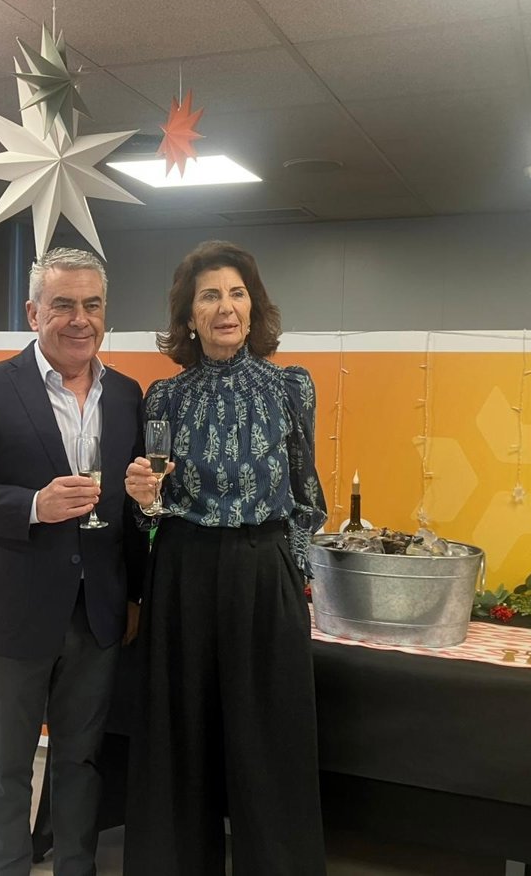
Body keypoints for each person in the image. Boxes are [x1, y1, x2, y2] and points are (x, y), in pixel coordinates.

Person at [0, 247, 148, 876]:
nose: (80, 319)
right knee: (7, 769)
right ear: (33, 313)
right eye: (63, 305)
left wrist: (135, 594)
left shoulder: (126, 395)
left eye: (92, 305)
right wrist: (31, 505)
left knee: (80, 762)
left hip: (98, 615)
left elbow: (131, 512)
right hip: (15, 614)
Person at [122, 240, 327, 876]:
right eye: (209, 296)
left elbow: (308, 500)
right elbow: (152, 514)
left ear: (253, 306)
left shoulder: (291, 388)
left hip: (263, 570)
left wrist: (292, 574)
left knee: (269, 739)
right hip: (182, 572)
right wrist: (144, 502)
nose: (225, 307)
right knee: (180, 736)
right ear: (189, 314)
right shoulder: (162, 397)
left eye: (237, 294)